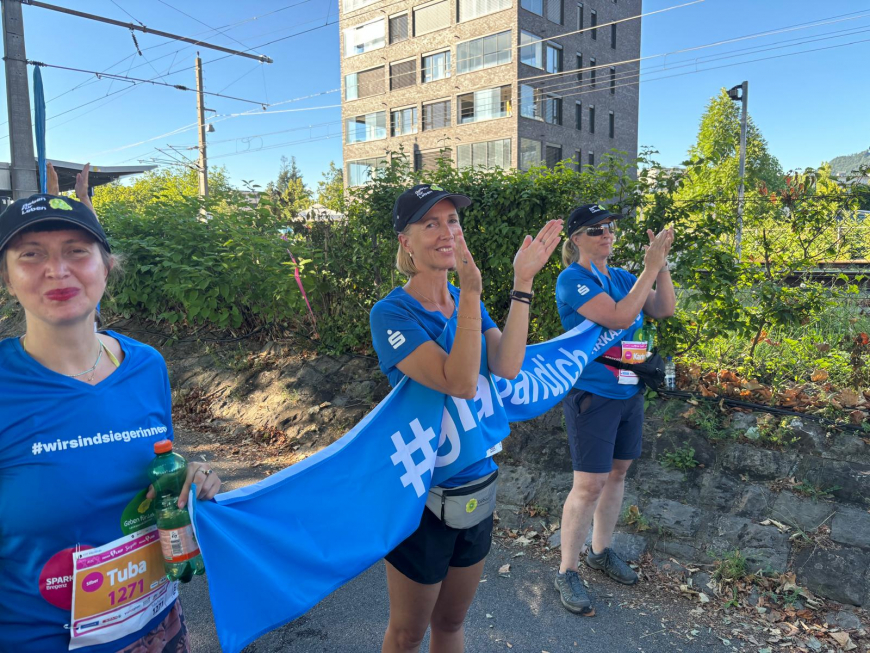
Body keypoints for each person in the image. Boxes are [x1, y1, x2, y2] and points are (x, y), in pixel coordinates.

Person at [0, 165, 222, 653]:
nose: (57, 271)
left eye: (77, 252)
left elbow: (153, 465)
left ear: (107, 266)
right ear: (7, 276)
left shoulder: (146, 364)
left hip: (160, 631)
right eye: (31, 255)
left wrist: (187, 477)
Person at [370, 184, 561, 653]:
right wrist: (472, 298)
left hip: (477, 484)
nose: (445, 231)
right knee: (408, 632)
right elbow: (458, 381)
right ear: (405, 241)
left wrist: (524, 282)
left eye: (452, 221)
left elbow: (508, 365)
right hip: (421, 493)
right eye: (429, 223)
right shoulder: (392, 313)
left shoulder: (463, 298)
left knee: (452, 624)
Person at [553, 203, 675, 615]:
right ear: (576, 239)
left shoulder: (623, 276)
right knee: (588, 485)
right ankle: (567, 570)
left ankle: (600, 551)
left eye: (609, 228)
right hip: (593, 395)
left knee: (617, 474)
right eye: (595, 230)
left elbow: (662, 309)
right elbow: (622, 317)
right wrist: (649, 267)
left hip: (629, 391)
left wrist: (661, 266)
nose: (606, 234)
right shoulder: (573, 280)